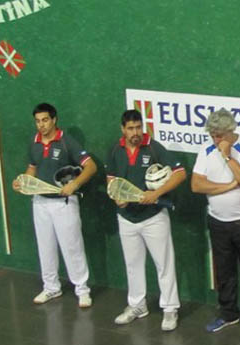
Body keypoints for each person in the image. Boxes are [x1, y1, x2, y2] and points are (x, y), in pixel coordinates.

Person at [191, 108, 240, 341]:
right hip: (218, 222)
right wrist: (228, 187)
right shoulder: (205, 150)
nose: (215, 139)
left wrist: (227, 156)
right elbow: (197, 185)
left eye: (219, 135)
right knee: (224, 273)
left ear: (230, 131)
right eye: (212, 134)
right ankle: (228, 314)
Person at [106, 109, 186, 331]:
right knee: (132, 265)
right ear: (123, 129)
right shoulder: (115, 150)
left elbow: (180, 173)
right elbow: (111, 181)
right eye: (131, 128)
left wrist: (156, 193)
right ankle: (137, 305)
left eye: (138, 127)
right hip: (126, 218)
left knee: (164, 264)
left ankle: (170, 309)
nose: (136, 132)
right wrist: (116, 198)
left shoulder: (153, 147)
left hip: (154, 218)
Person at [12, 103, 96, 308]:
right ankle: (51, 287)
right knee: (45, 247)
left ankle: (82, 290)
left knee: (72, 246)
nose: (41, 125)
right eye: (38, 121)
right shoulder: (34, 142)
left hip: (64, 203)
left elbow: (91, 166)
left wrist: (75, 184)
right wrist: (23, 182)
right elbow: (31, 168)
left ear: (54, 119)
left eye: (45, 120)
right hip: (40, 203)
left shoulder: (67, 142)